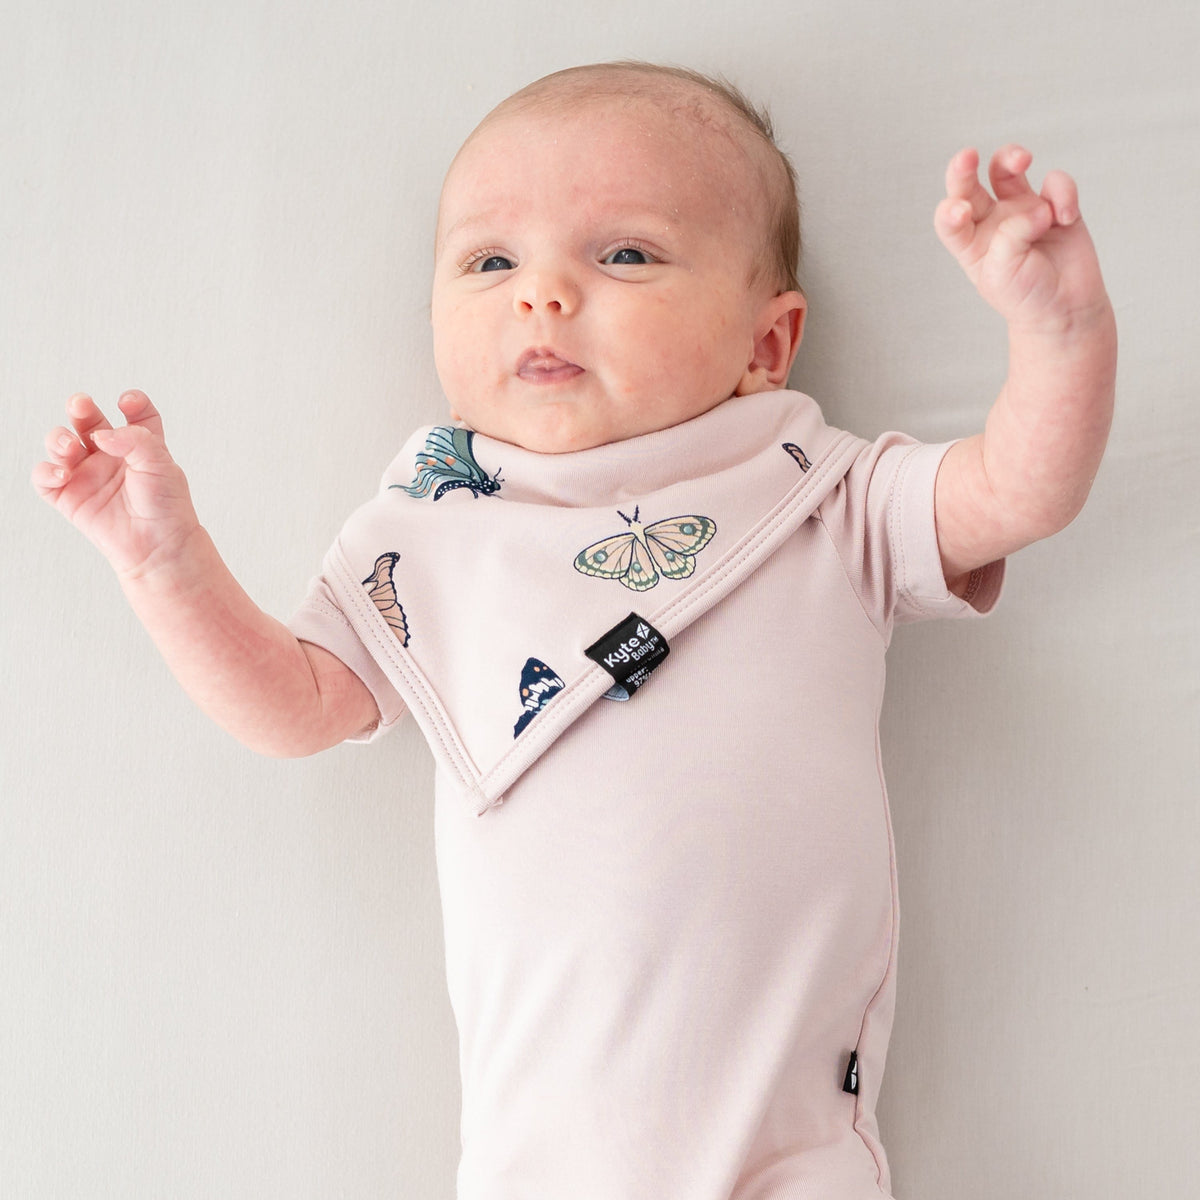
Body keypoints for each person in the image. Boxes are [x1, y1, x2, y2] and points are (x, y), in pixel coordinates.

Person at [32, 62, 1115, 1200]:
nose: (541, 294)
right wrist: (164, 560)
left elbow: (1015, 492)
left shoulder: (821, 496)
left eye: (625, 254)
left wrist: (1062, 332)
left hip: (791, 1156)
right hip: (541, 1165)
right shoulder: (431, 533)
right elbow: (293, 705)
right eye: (491, 261)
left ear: (767, 343)